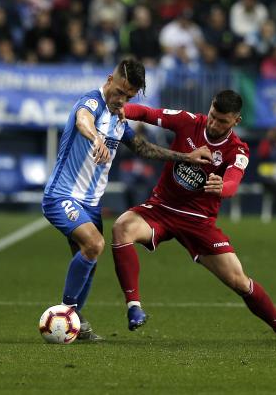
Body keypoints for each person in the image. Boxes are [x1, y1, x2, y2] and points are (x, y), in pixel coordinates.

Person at [111, 90, 276, 343]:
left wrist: (222, 187)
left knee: (239, 281)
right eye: (213, 116)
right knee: (121, 227)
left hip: (198, 222)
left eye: (223, 121)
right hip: (161, 208)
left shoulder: (238, 150)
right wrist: (121, 109)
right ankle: (134, 307)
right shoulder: (188, 122)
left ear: (236, 121)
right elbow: (147, 113)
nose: (215, 124)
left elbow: (232, 182)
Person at [42, 58, 211, 341]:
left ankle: (77, 322)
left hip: (91, 203)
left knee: (88, 259)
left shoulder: (119, 118)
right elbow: (83, 119)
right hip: (62, 195)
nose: (122, 100)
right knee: (95, 244)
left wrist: (187, 157)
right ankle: (66, 313)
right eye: (119, 92)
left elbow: (144, 148)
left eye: (128, 96)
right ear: (110, 79)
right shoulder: (91, 102)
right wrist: (96, 137)